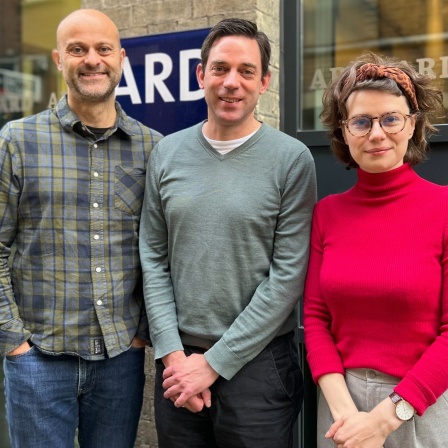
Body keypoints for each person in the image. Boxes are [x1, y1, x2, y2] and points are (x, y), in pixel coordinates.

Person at [139, 17, 317, 448]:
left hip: (258, 368)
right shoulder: (167, 153)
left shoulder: (292, 160)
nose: (231, 82)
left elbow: (288, 275)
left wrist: (214, 363)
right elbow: (152, 257)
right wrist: (173, 355)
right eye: (220, 68)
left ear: (265, 82)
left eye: (246, 71)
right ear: (201, 75)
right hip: (178, 364)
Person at [0, 9, 162, 448]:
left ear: (121, 58)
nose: (92, 59)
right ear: (58, 59)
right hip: (38, 359)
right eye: (78, 49)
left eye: (103, 48)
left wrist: (141, 333)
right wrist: (13, 340)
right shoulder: (17, 141)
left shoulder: (153, 148)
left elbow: (159, 252)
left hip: (119, 360)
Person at [304, 51, 448, 448]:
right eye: (361, 122)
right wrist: (346, 413)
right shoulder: (327, 214)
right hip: (340, 409)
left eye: (391, 118)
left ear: (412, 124)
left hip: (419, 405)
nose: (377, 133)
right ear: (344, 132)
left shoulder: (444, 209)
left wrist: (385, 420)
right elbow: (315, 318)